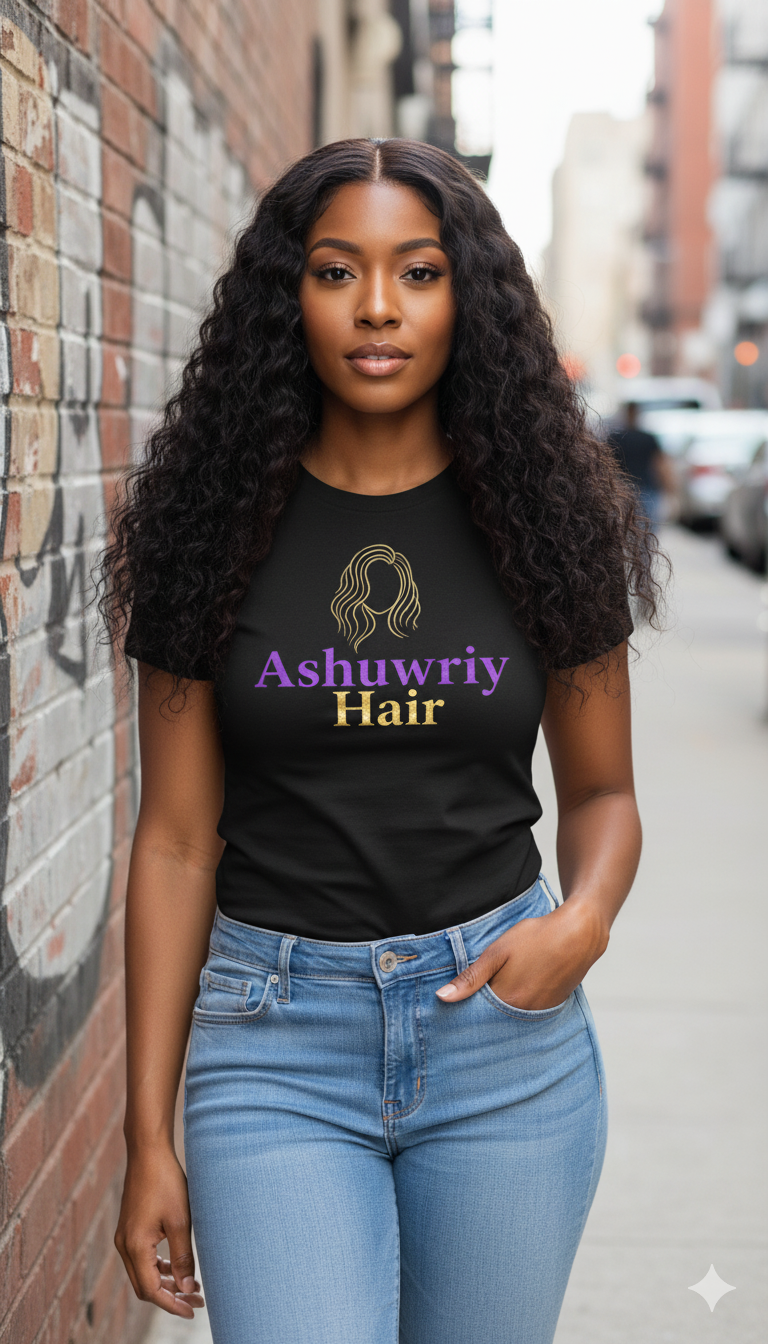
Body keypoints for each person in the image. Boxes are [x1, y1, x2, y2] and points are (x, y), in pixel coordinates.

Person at [102, 139, 662, 1344]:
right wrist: (150, 1137)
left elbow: (604, 792)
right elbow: (177, 841)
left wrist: (583, 922)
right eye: (334, 271)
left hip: (501, 1043)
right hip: (274, 1046)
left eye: (416, 272)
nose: (375, 309)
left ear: (467, 294)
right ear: (284, 298)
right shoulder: (208, 525)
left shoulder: (547, 517)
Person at [608, 401, 673, 532]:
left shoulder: (616, 438)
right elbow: (660, 464)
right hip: (647, 489)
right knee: (648, 530)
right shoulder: (648, 437)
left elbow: (608, 465)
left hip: (623, 489)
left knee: (627, 530)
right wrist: (669, 488)